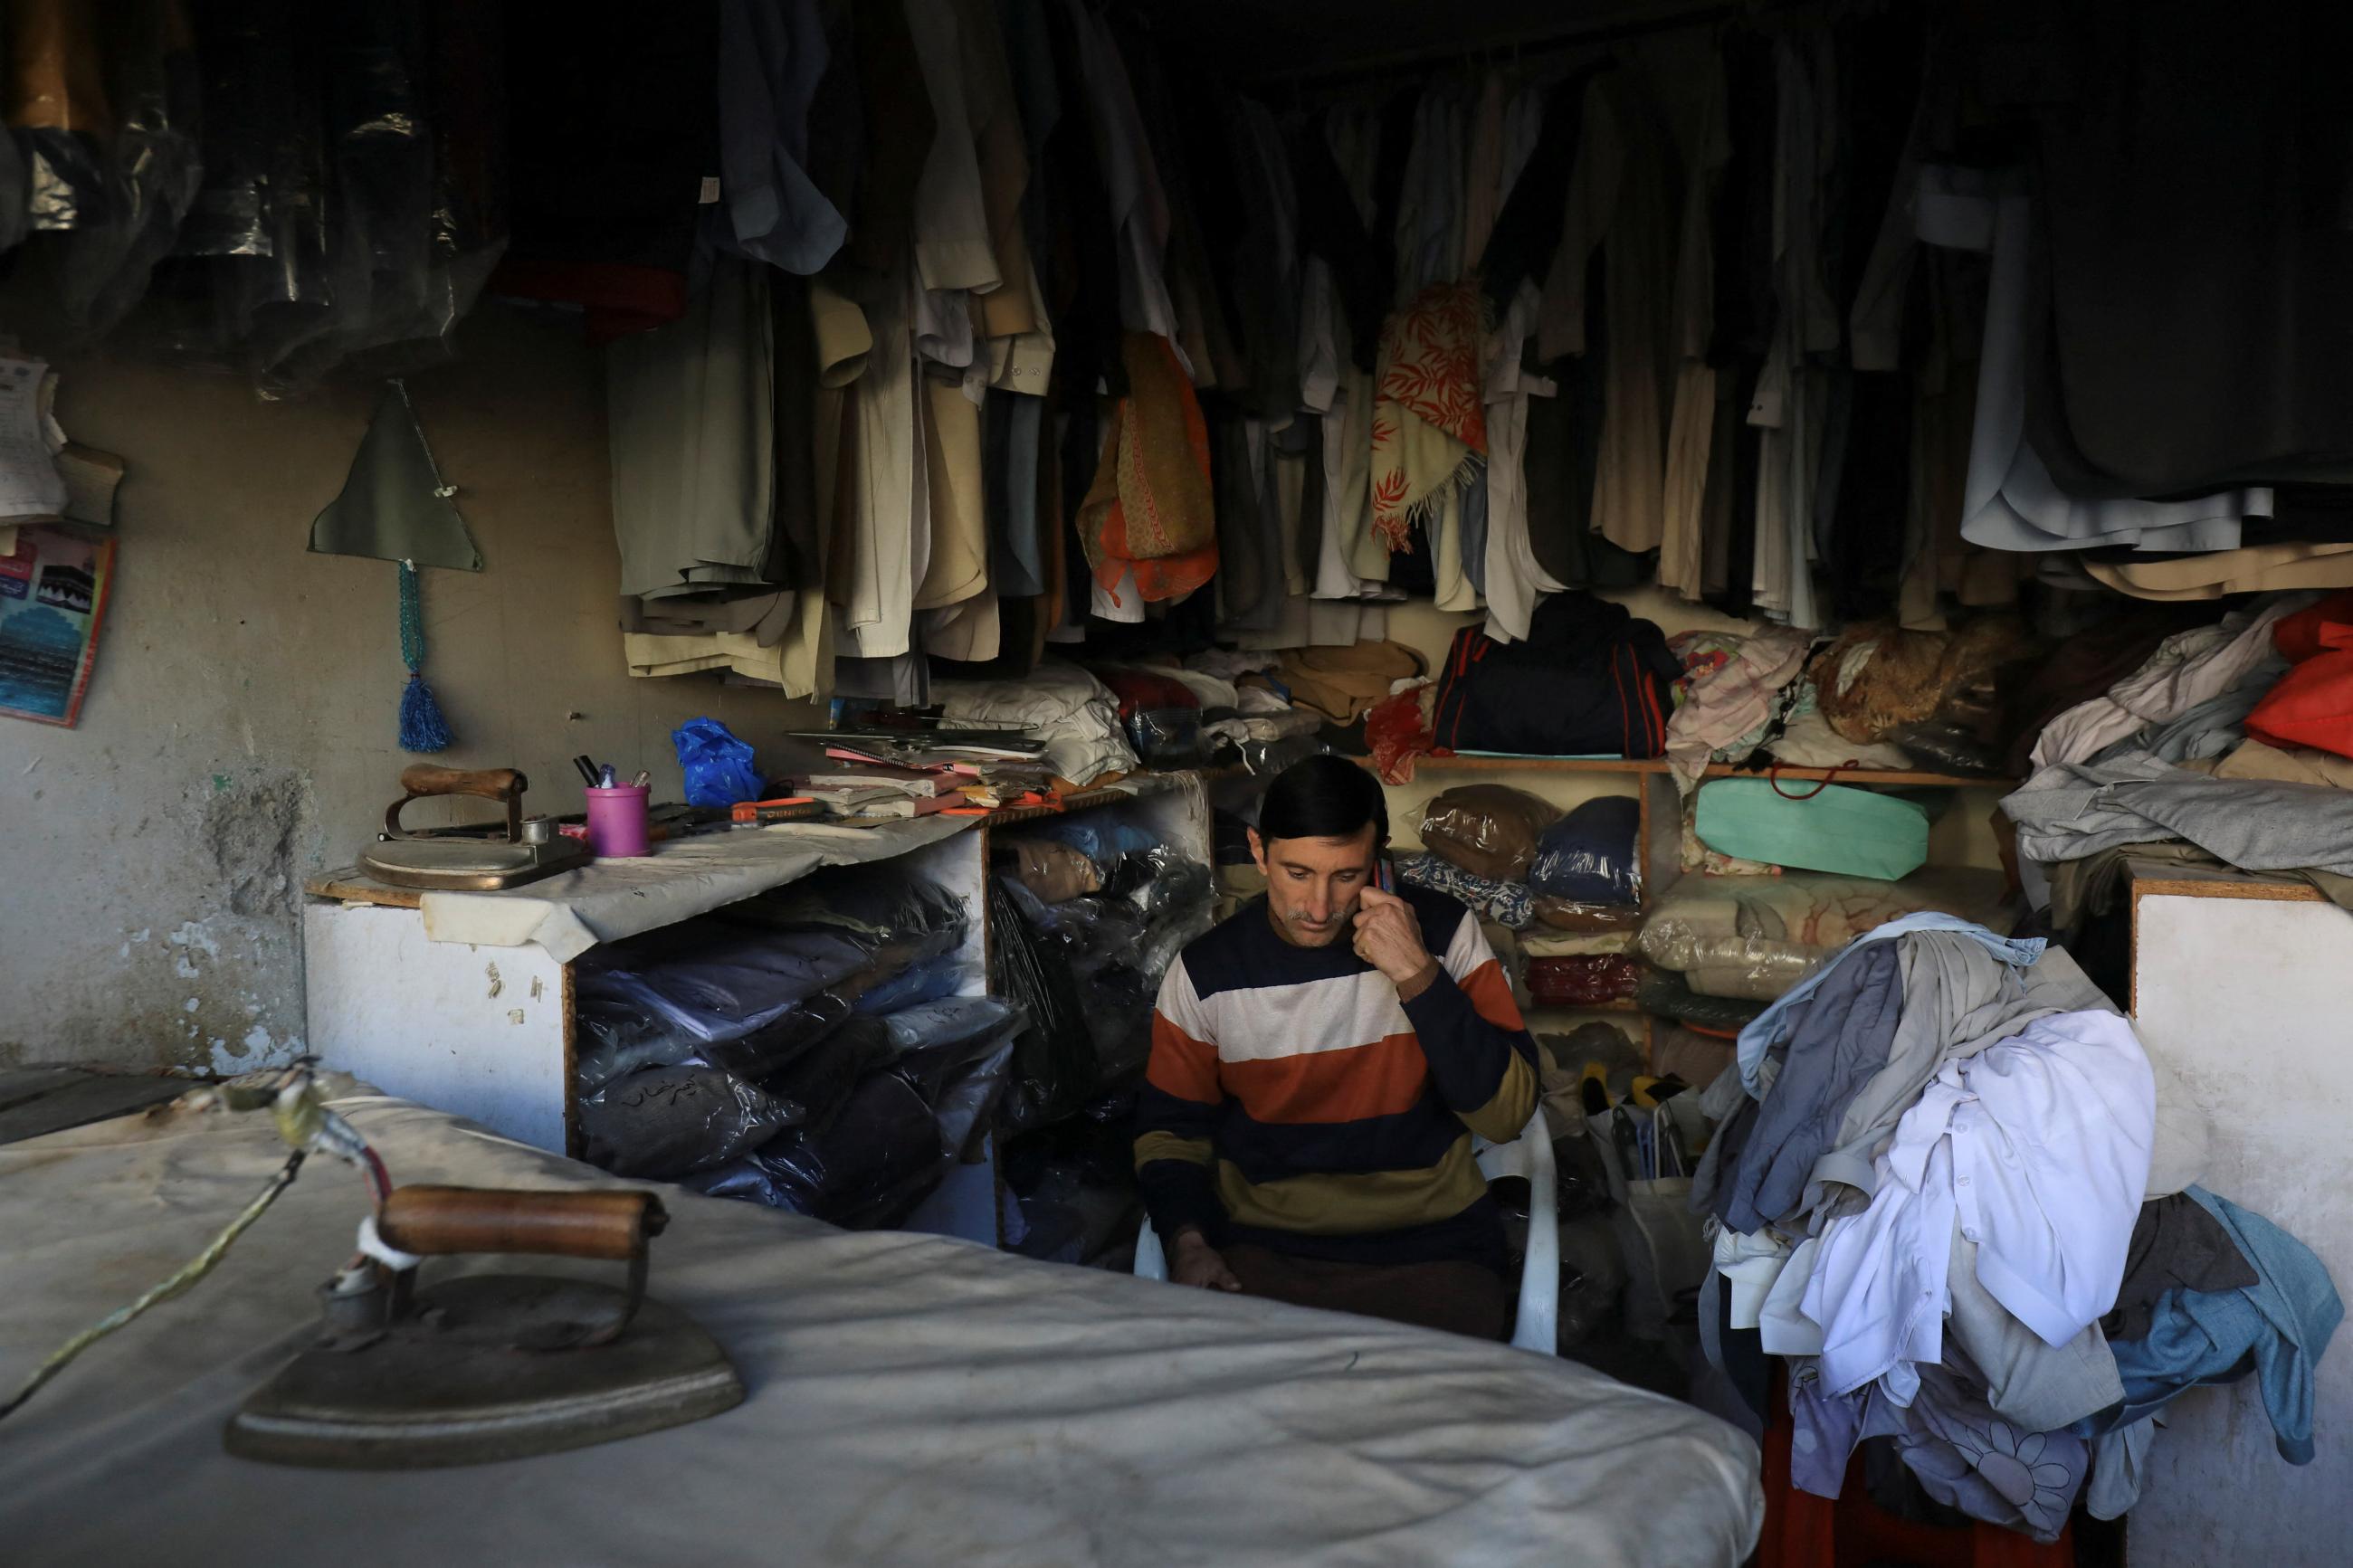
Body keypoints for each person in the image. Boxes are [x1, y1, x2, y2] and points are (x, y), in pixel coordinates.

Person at [1133, 753, 1539, 1340]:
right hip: (1264, 1252)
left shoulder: (1445, 935)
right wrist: (1188, 1241)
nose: (1319, 908)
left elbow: (1506, 1116)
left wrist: (1417, 974)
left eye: (1346, 875)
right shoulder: (1205, 973)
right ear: (1257, 850)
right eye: (1297, 872)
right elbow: (1171, 1131)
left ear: (1379, 862)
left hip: (1432, 1245)